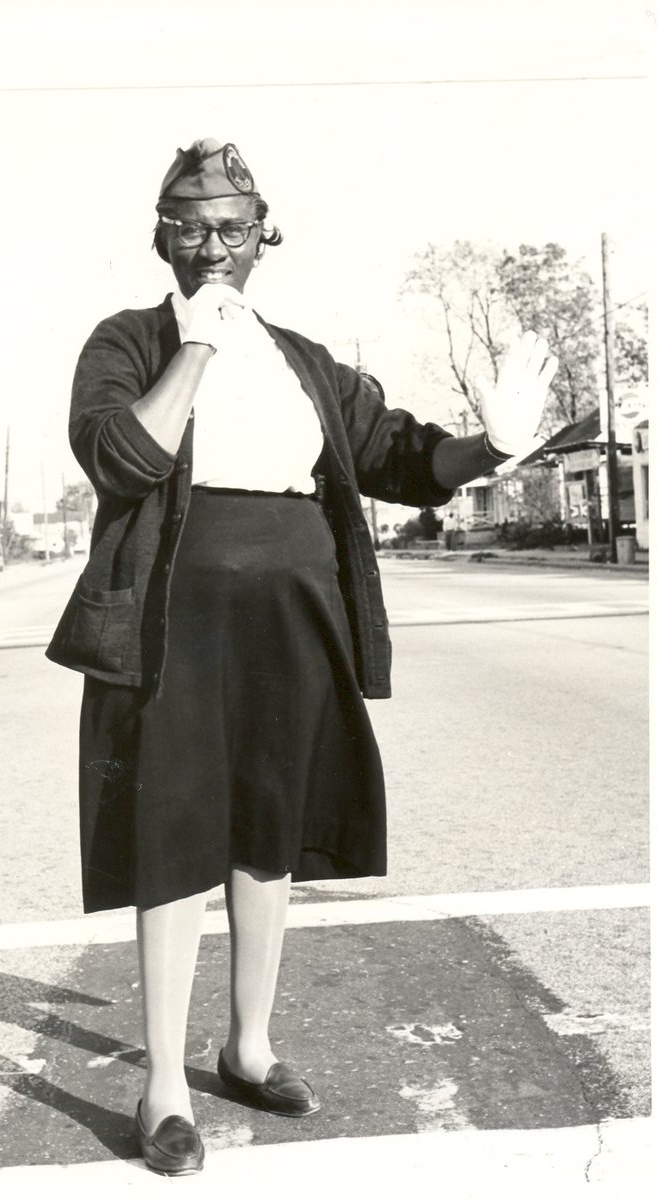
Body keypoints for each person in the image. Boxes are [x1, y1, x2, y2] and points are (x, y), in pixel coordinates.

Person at [47, 138, 557, 1177]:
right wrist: (195, 345)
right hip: (171, 623)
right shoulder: (128, 344)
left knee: (269, 829)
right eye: (190, 228)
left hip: (294, 615)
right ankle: (163, 1091)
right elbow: (121, 457)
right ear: (162, 240)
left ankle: (248, 1046)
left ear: (263, 236)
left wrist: (491, 447)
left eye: (232, 228)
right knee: (174, 832)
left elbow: (402, 458)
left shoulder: (306, 363)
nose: (213, 246)